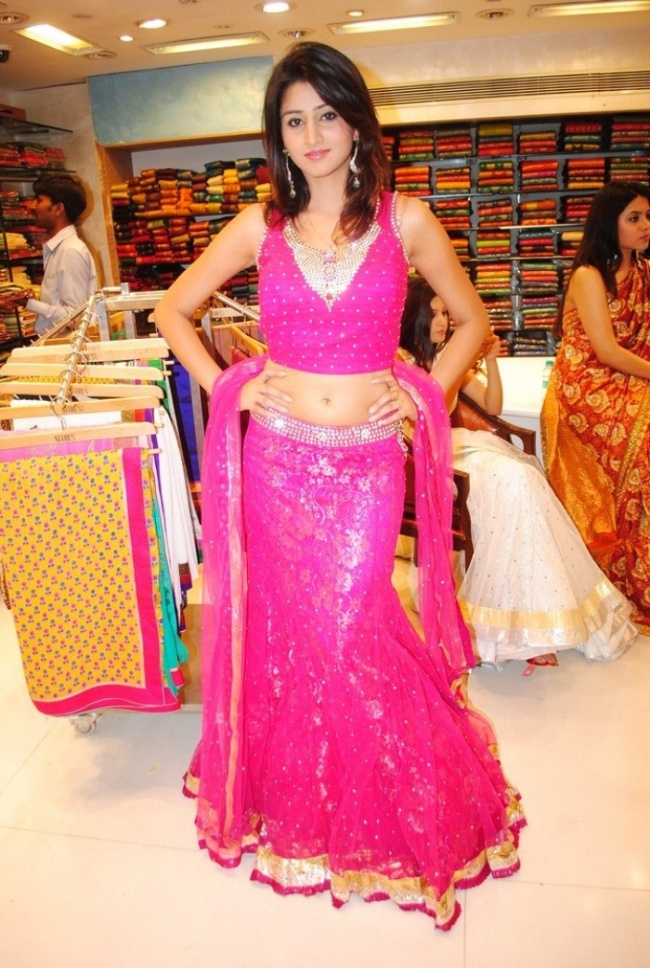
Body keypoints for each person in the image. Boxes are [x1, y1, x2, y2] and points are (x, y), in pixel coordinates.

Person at [154, 41, 525, 929]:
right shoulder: (259, 228)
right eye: (294, 120)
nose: (312, 134)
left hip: (365, 467)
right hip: (278, 465)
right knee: (297, 634)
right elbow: (173, 309)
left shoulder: (406, 221)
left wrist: (426, 391)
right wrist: (226, 383)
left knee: (357, 623)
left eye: (326, 114)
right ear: (277, 136)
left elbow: (471, 319)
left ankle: (394, 794)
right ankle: (303, 802)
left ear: (357, 121)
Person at [399, 276, 637, 670]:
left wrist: (489, 360)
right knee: (514, 481)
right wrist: (460, 363)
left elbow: (492, 404)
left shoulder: (447, 360)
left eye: (445, 313)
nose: (443, 322)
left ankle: (536, 620)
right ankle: (513, 628)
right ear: (415, 317)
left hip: (462, 448)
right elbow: (425, 416)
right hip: (428, 457)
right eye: (434, 314)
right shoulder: (402, 364)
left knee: (526, 482)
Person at [541, 180, 650, 632]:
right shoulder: (589, 275)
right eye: (634, 218)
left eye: (647, 216)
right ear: (610, 222)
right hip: (586, 383)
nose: (645, 225)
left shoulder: (644, 272)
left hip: (631, 374)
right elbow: (604, 350)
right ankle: (625, 568)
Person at [5, 172, 97, 335]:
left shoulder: (70, 251)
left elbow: (75, 316)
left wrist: (30, 304)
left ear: (58, 209)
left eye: (39, 200)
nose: (32, 206)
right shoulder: (59, 249)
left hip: (68, 345)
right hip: (61, 343)